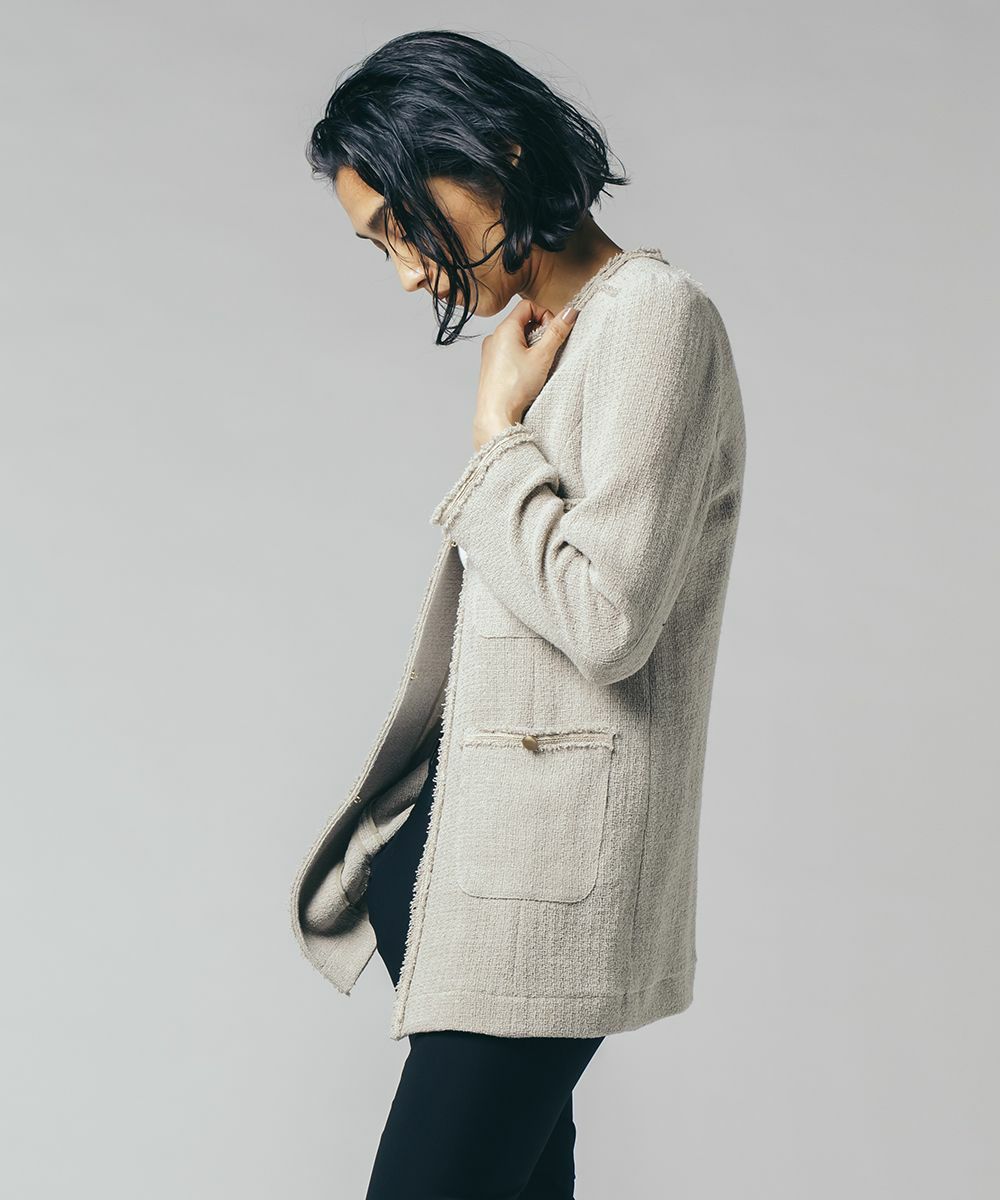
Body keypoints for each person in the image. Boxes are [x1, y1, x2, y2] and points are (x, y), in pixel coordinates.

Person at [293, 28, 746, 1199]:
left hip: (538, 898)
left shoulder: (654, 317)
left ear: (497, 154)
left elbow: (608, 618)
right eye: (378, 244)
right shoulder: (558, 337)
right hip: (467, 872)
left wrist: (495, 441)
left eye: (403, 223)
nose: (407, 272)